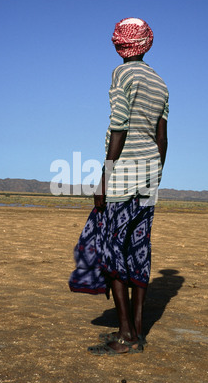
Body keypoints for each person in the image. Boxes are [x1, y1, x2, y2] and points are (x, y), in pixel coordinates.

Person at [69, 18, 169, 355]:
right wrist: (155, 175)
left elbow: (119, 127)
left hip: (124, 177)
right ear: (146, 44)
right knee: (139, 253)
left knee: (113, 255)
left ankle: (125, 336)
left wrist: (104, 178)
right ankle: (137, 331)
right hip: (149, 179)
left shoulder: (121, 74)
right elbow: (161, 137)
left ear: (118, 46)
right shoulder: (160, 82)